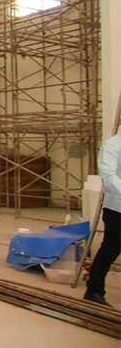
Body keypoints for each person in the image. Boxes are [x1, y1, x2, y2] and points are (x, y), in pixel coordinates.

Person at [84, 123, 121, 307]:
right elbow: (108, 175)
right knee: (110, 250)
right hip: (118, 209)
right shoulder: (114, 145)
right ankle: (94, 290)